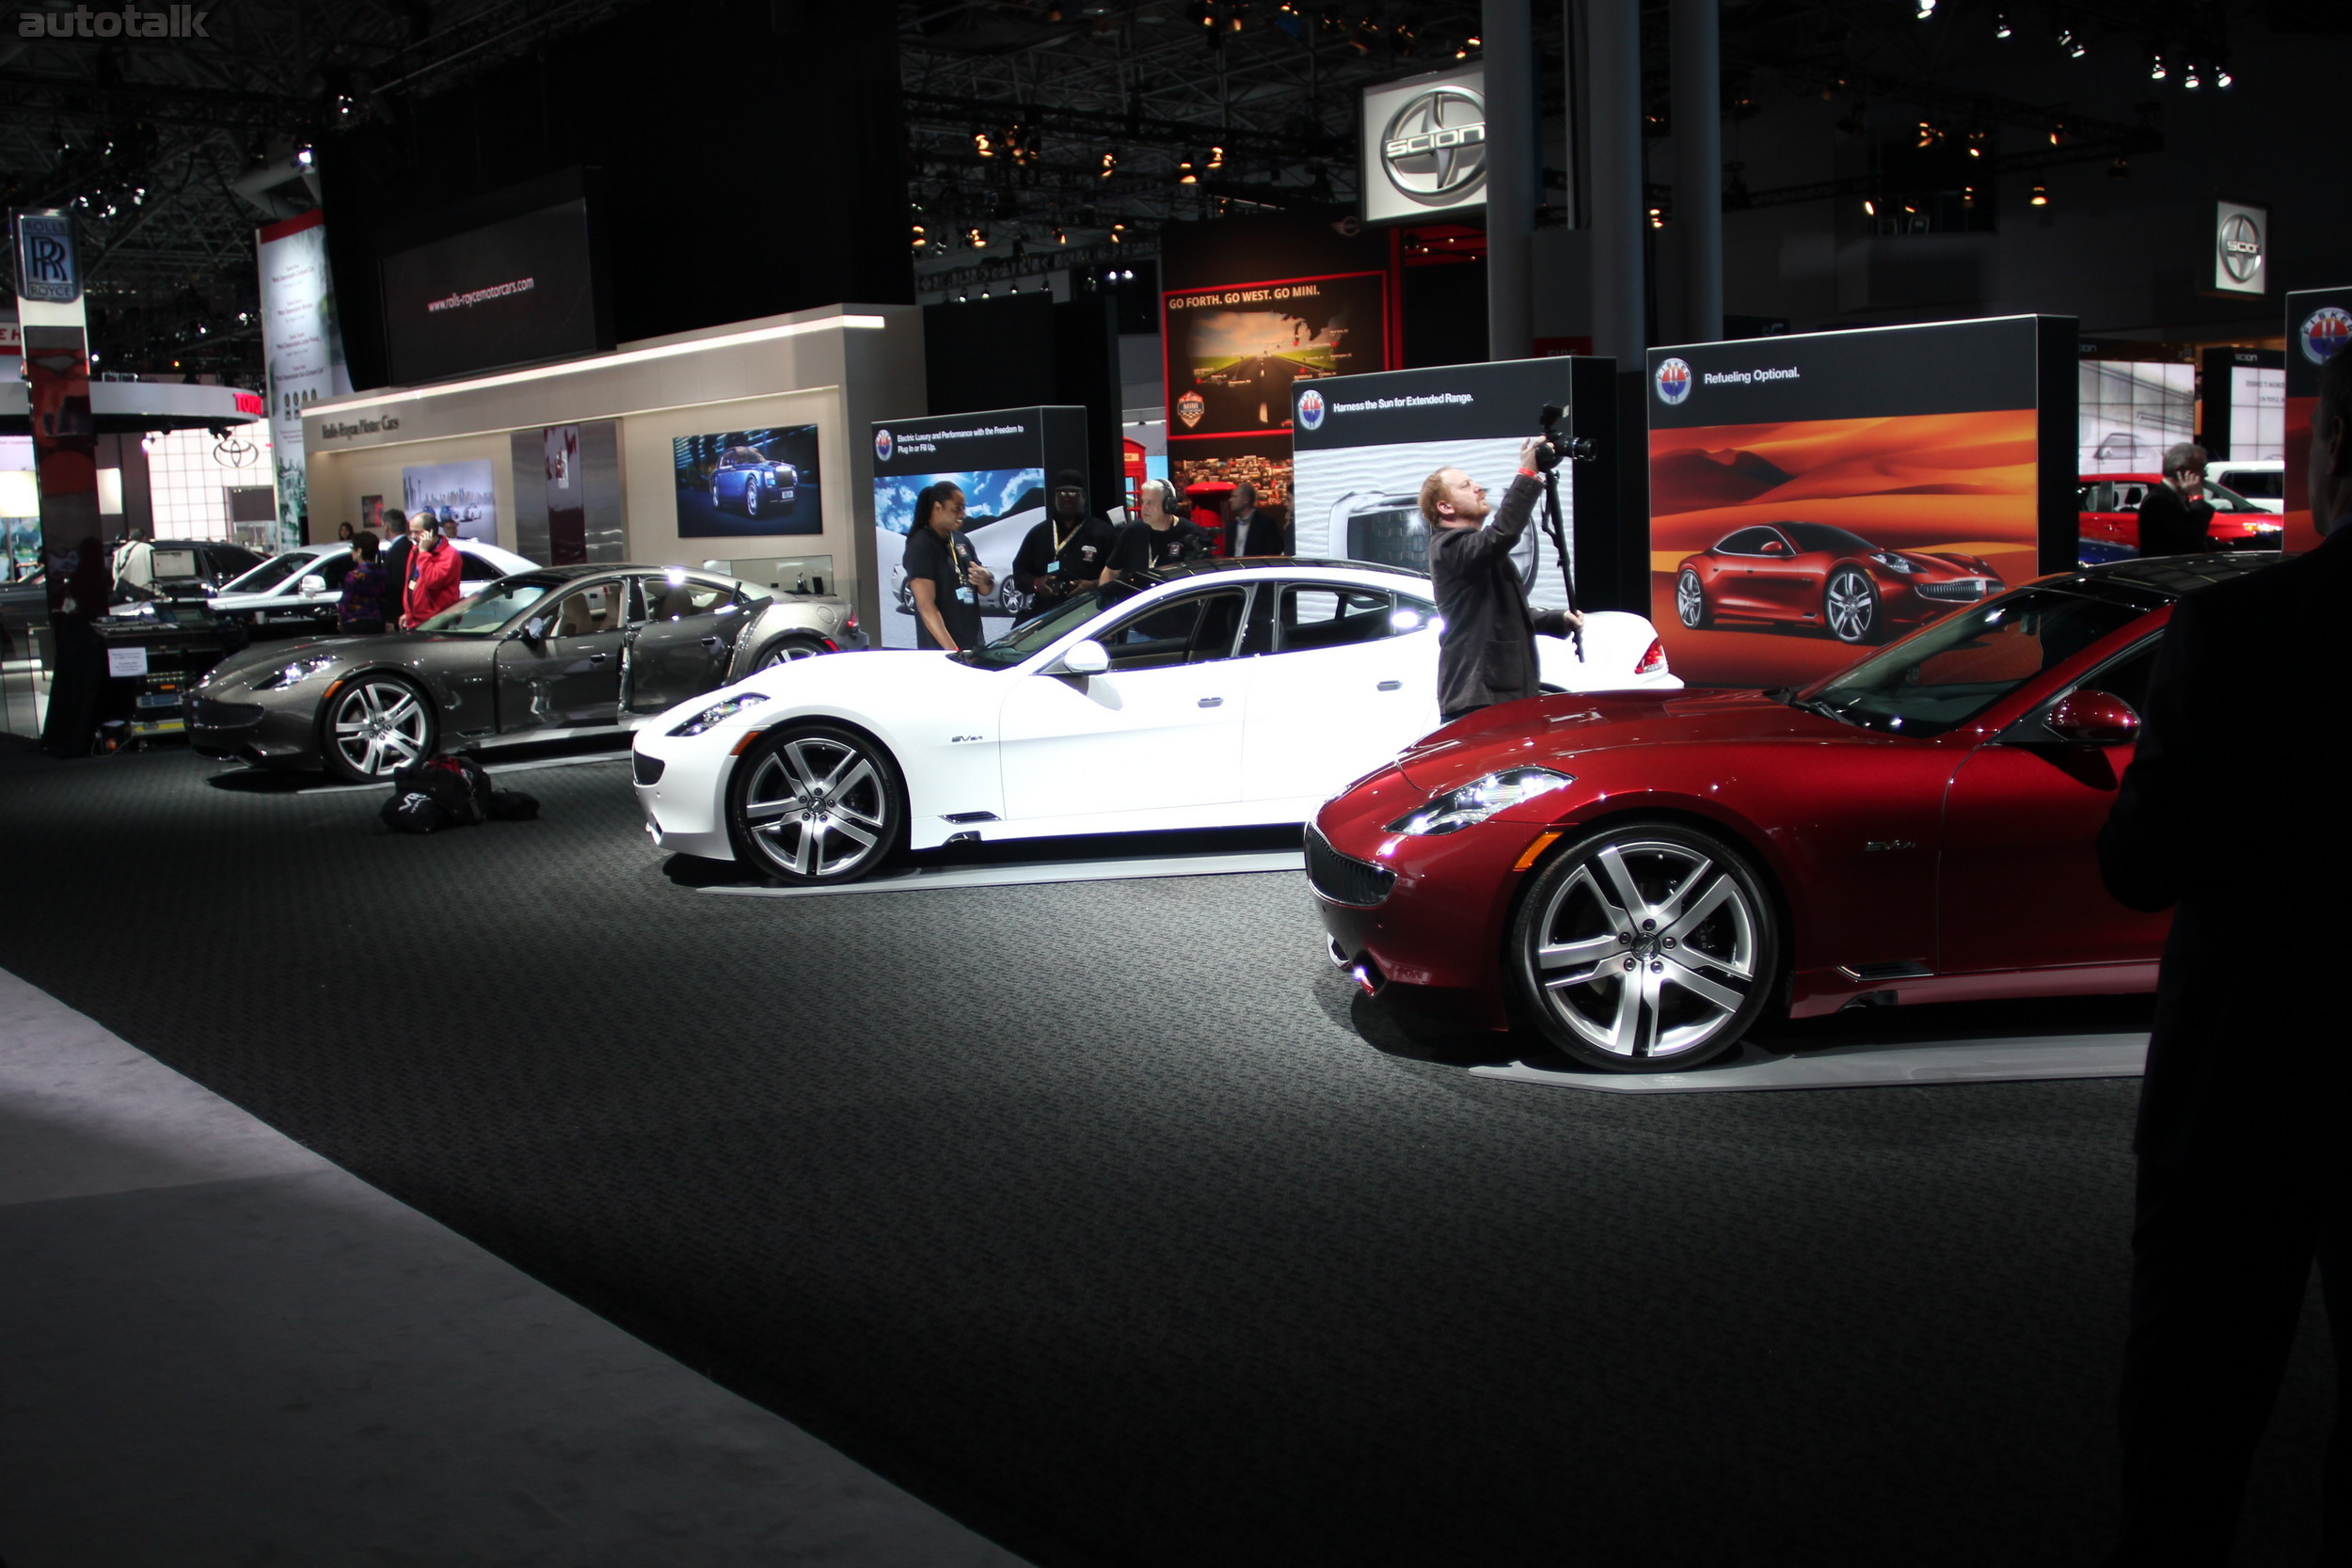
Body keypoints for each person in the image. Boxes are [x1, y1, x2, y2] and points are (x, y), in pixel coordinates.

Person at [2095, 349, 2352, 1565]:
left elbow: (2140, 865)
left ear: (2334, 451)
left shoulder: (2240, 630)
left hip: (2244, 1079)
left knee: (2191, 1426)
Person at [1425, 446, 1583, 724]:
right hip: (1481, 698)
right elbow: (1502, 533)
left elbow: (1498, 614)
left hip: (1497, 693)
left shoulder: (1474, 551)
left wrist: (1556, 620)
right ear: (1445, 507)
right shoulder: (1450, 547)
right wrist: (1528, 472)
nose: (1478, 488)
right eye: (1466, 485)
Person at [901, 482, 995, 653]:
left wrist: (987, 578)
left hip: (974, 646)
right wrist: (953, 651)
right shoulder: (921, 546)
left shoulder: (961, 540)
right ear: (937, 508)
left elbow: (984, 590)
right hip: (944, 653)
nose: (963, 514)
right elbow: (926, 606)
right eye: (956, 508)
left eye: (964, 508)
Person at [1011, 469, 1116, 622]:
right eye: (1061, 493)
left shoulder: (1104, 533)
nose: (1067, 498)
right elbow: (1019, 573)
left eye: (1073, 493)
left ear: (1084, 497)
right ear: (1055, 497)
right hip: (1046, 617)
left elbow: (1121, 574)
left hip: (1091, 616)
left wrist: (1094, 585)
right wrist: (1037, 584)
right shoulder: (1038, 533)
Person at [1104, 478, 1216, 576]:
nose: (1144, 508)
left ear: (1169, 505)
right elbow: (1110, 571)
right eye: (1143, 501)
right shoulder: (1132, 531)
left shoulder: (1192, 533)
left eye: (1150, 503)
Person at [2137, 444, 2218, 557]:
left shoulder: (2179, 498)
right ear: (2180, 471)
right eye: (2200, 468)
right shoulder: (2157, 501)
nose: (2205, 474)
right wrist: (2197, 497)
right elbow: (2191, 538)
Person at [398, 510, 463, 629]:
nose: (413, 537)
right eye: (411, 532)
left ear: (430, 533)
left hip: (436, 622)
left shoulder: (449, 554)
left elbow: (432, 581)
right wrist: (409, 614)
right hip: (416, 621)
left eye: (417, 532)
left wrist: (423, 552)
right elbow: (411, 582)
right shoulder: (415, 549)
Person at [337, 530, 392, 635]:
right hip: (377, 623)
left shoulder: (355, 575)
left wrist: (340, 621)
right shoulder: (383, 573)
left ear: (359, 551)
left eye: (353, 549)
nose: (351, 552)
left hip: (355, 624)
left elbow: (345, 603)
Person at [1219, 482, 1292, 557]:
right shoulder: (1231, 527)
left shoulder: (1266, 524)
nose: (1230, 500)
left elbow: (1272, 553)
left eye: (1235, 497)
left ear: (1246, 500)